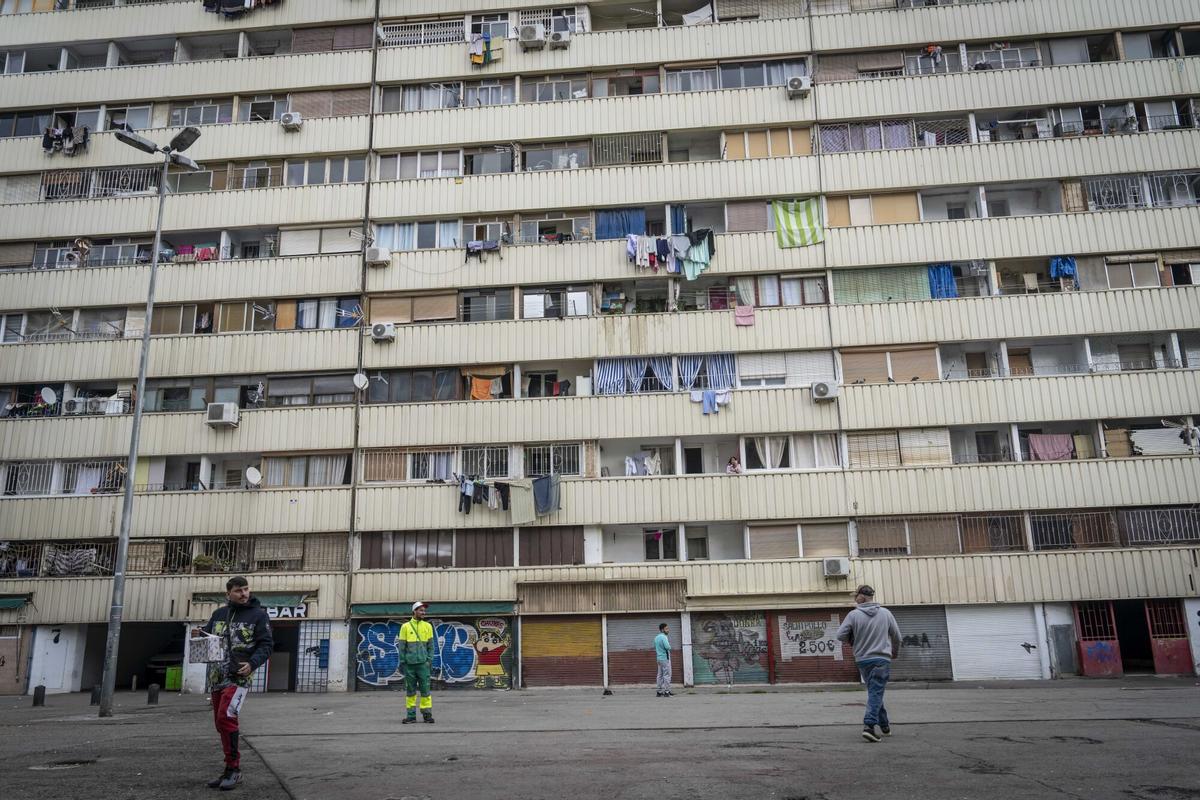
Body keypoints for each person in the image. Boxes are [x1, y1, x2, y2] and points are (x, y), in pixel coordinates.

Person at [194, 576, 274, 791]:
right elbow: (208, 637)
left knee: (226, 717)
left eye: (246, 589)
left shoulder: (258, 615)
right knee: (220, 724)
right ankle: (229, 769)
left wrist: (253, 664)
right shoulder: (219, 614)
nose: (244, 594)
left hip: (239, 676)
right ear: (228, 593)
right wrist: (199, 634)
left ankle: (234, 770)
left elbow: (266, 645)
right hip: (216, 676)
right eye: (239, 590)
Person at [835, 584, 901, 743]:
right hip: (881, 659)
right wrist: (895, 652)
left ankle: (884, 725)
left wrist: (853, 638)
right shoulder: (886, 613)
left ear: (861, 597)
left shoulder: (853, 615)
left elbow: (840, 635)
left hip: (863, 660)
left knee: (874, 690)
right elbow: (897, 636)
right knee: (876, 691)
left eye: (855, 596)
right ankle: (869, 726)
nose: (854, 599)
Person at [401, 601, 435, 724]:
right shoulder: (405, 627)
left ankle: (427, 715)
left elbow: (431, 646)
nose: (423, 612)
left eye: (424, 610)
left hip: (423, 665)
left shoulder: (428, 626)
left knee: (425, 691)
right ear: (414, 611)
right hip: (410, 665)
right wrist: (403, 661)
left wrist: (429, 660)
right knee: (410, 691)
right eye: (421, 610)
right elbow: (402, 646)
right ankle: (411, 716)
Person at [654, 623, 673, 697]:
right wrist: (669, 647)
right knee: (667, 675)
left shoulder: (656, 637)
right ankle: (667, 691)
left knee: (660, 675)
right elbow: (668, 647)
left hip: (659, 658)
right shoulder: (664, 637)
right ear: (662, 630)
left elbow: (655, 646)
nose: (668, 630)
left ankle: (659, 691)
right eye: (666, 629)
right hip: (665, 658)